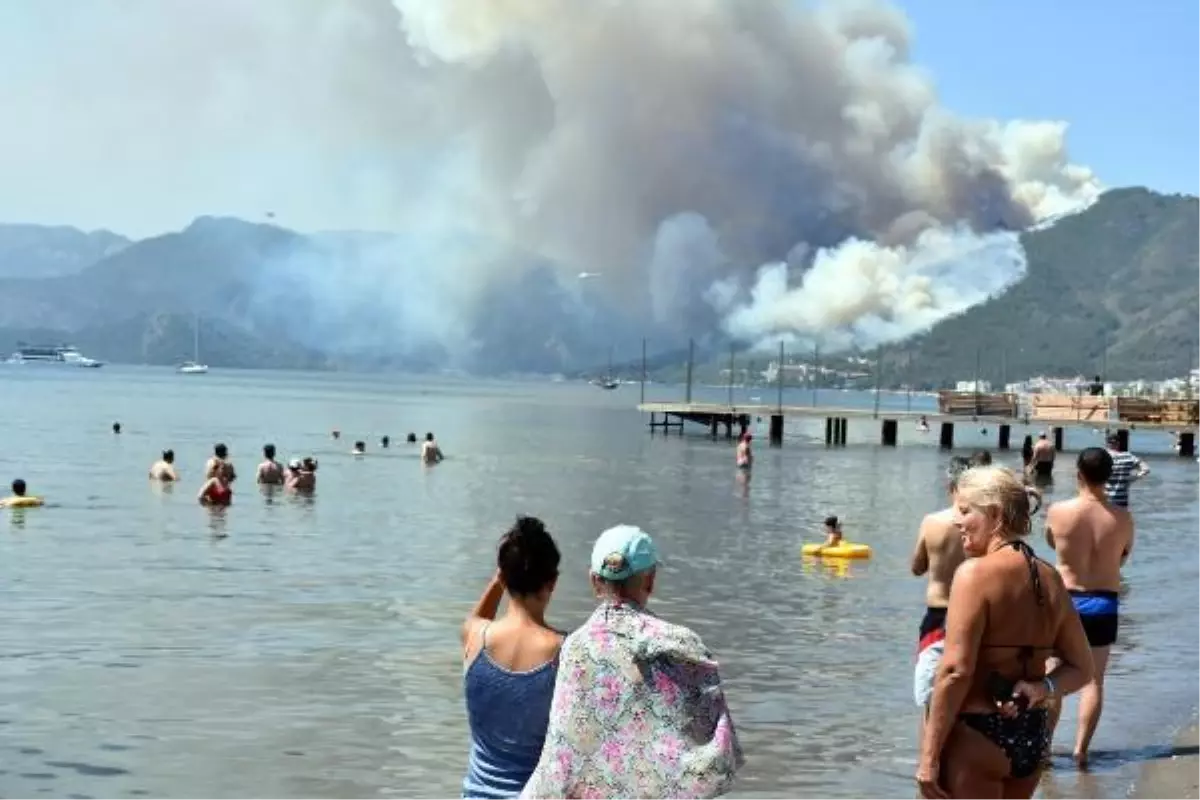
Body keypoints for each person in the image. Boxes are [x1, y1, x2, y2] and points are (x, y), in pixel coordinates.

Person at [521, 524, 743, 799]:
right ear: (650, 581)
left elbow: (564, 754)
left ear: (594, 581)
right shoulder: (683, 645)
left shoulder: (575, 648)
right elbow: (719, 751)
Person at [918, 466, 1094, 800]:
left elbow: (955, 671)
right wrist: (1043, 687)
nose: (957, 521)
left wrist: (928, 759)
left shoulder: (974, 574)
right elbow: (1082, 668)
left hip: (978, 734)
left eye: (966, 511)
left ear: (995, 514)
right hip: (1032, 735)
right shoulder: (1050, 576)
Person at [1043, 447, 1134, 768]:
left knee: (1054, 675)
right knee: (1094, 681)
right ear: (1109, 477)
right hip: (1103, 603)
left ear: (1078, 474)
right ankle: (1080, 751)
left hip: (1066, 600)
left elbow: (1053, 543)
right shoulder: (1123, 518)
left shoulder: (1058, 511)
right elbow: (1123, 556)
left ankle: (1044, 751)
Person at [461, 516, 563, 799]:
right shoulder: (566, 652)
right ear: (552, 582)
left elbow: (477, 617)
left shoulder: (474, 636)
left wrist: (498, 581)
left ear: (503, 576)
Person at [911, 451, 993, 715]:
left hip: (938, 616)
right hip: (974, 616)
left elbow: (917, 567)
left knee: (931, 700)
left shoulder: (932, 522)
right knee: (970, 696)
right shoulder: (984, 526)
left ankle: (930, 755)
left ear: (950, 486)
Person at [1103, 432, 1149, 509]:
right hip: (1122, 500)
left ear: (1107, 443)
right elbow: (1146, 469)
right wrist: (1133, 478)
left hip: (1105, 500)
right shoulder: (1128, 456)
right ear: (1118, 443)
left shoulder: (1102, 457)